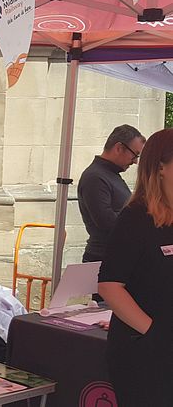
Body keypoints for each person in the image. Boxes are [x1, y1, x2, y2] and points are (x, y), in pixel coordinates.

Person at [98, 128, 173, 406]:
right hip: (144, 352)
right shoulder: (135, 218)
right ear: (161, 167)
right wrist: (154, 333)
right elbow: (109, 285)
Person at [78, 124, 146, 263]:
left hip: (116, 256)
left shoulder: (110, 174)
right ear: (119, 148)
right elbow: (106, 221)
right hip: (103, 258)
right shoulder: (95, 177)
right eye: (135, 155)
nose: (135, 162)